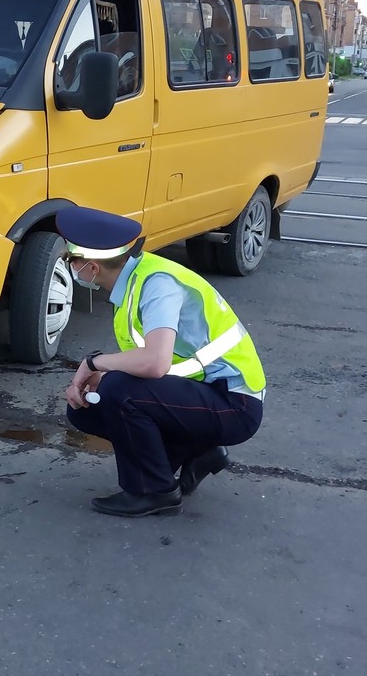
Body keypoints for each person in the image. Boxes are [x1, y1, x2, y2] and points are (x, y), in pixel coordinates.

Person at [57, 206, 266, 518]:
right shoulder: (133, 281)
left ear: (91, 265)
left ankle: (153, 491)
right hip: (204, 394)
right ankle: (198, 450)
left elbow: (155, 364)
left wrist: (94, 363)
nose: (71, 268)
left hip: (236, 405)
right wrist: (97, 378)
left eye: (71, 260)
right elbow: (153, 364)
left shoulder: (157, 284)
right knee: (87, 409)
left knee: (118, 390)